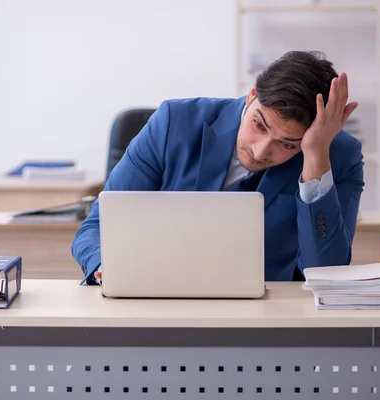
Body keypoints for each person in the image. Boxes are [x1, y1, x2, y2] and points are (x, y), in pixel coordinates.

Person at [72, 50, 364, 285]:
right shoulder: (174, 122)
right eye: (258, 125)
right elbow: (96, 228)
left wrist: (314, 157)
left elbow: (326, 273)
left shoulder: (338, 156)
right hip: (152, 305)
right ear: (251, 97)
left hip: (261, 329)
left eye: (288, 144)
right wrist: (105, 269)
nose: (261, 151)